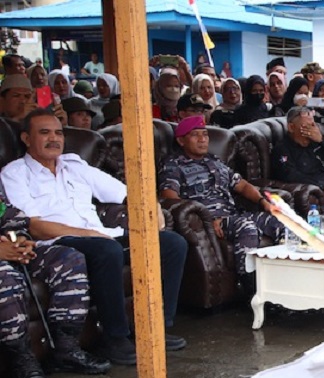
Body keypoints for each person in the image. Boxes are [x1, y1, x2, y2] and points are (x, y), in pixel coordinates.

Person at [1, 109, 188, 365]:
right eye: (44, 133)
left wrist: (153, 207)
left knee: (171, 244)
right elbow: (34, 226)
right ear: (25, 138)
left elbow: (127, 192)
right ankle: (115, 339)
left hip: (101, 236)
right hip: (57, 242)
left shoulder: (74, 165)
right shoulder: (15, 172)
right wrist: (88, 234)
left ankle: (157, 327)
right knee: (106, 250)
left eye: (58, 133)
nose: (54, 139)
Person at [0, 194, 110, 378]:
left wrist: (21, 240)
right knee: (4, 276)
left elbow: (13, 219)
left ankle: (65, 349)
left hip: (9, 252)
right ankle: (22, 360)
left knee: (68, 259)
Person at [159, 115, 283, 291]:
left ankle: (285, 281)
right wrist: (205, 219)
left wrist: (263, 202)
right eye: (195, 135)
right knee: (246, 227)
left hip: (234, 215)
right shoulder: (173, 165)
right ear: (181, 140)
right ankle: (250, 287)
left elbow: (242, 185)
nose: (203, 139)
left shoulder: (214, 161)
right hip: (212, 221)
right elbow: (169, 197)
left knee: (280, 222)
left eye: (205, 134)